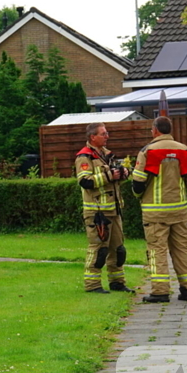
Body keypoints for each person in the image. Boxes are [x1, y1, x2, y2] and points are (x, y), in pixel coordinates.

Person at [132, 116, 187, 303]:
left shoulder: (148, 151)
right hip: (179, 211)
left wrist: (140, 196)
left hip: (155, 213)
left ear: (155, 130)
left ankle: (160, 291)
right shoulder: (184, 150)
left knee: (157, 251)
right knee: (182, 249)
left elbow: (138, 182)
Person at [75, 122, 133, 294]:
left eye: (107, 133)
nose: (107, 136)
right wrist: (109, 175)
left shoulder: (108, 155)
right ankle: (92, 285)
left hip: (114, 210)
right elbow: (85, 181)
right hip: (97, 212)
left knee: (118, 249)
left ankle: (117, 282)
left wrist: (123, 174)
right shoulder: (84, 157)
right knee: (99, 249)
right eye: (103, 133)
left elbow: (114, 177)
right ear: (93, 137)